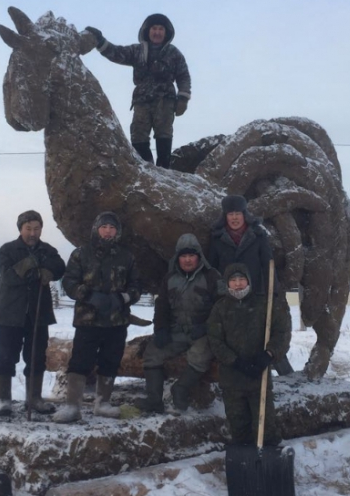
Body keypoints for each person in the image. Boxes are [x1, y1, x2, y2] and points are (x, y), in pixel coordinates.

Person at [54, 212, 142, 423]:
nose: (108, 231)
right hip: (88, 319)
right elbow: (69, 282)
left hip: (117, 320)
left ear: (117, 231)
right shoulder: (81, 254)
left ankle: (103, 403)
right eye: (104, 227)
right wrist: (90, 296)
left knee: (111, 360)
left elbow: (137, 286)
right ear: (96, 229)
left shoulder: (126, 256)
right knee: (80, 361)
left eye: (112, 228)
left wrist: (122, 298)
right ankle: (72, 406)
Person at [84, 14, 191, 169]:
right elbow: (117, 53)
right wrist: (100, 41)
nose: (157, 32)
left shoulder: (174, 53)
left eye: (161, 29)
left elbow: (183, 76)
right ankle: (146, 168)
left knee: (164, 135)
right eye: (154, 28)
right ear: (148, 31)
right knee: (138, 137)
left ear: (166, 33)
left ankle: (164, 169)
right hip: (142, 100)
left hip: (165, 100)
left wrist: (183, 98)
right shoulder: (137, 50)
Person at [208, 195, 295, 375]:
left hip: (257, 295)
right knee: (234, 337)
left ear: (244, 214)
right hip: (230, 296)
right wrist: (222, 293)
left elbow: (268, 265)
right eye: (230, 214)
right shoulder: (217, 238)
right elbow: (213, 270)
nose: (234, 218)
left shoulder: (258, 235)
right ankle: (239, 374)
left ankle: (283, 372)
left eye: (237, 213)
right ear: (225, 216)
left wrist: (273, 293)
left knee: (264, 334)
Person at [207, 263, 291, 446]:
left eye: (241, 279)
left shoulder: (263, 305)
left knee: (265, 424)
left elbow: (281, 332)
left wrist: (268, 355)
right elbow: (215, 340)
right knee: (238, 426)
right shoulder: (220, 309)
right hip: (232, 378)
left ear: (248, 281)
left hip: (259, 378)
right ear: (227, 284)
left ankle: (270, 461)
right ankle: (244, 462)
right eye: (233, 280)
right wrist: (235, 362)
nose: (238, 284)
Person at [0, 210, 66, 416]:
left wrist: (48, 271)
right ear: (20, 229)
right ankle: (3, 400)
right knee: (6, 357)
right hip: (10, 315)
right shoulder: (7, 250)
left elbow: (60, 267)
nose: (33, 233)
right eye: (28, 229)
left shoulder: (47, 250)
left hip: (38, 314)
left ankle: (34, 399)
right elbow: (9, 276)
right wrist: (32, 264)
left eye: (37, 229)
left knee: (36, 358)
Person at [140, 233, 222, 413]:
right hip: (176, 331)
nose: (187, 260)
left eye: (191, 256)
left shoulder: (212, 276)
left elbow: (221, 307)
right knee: (152, 353)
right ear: (177, 258)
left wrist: (207, 327)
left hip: (202, 332)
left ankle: (181, 389)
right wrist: (160, 329)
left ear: (199, 257)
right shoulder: (169, 278)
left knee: (200, 355)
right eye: (183, 256)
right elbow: (161, 307)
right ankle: (154, 399)